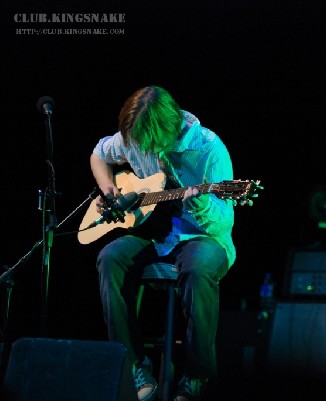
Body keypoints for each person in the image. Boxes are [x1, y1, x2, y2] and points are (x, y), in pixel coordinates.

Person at [90, 85, 236, 401]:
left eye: (145, 140)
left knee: (198, 268)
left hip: (202, 236)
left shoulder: (208, 147)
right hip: (153, 234)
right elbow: (99, 153)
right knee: (109, 257)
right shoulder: (134, 136)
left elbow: (225, 220)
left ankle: (197, 375)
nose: (139, 146)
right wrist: (108, 190)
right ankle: (133, 368)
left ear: (165, 129)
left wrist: (200, 203)